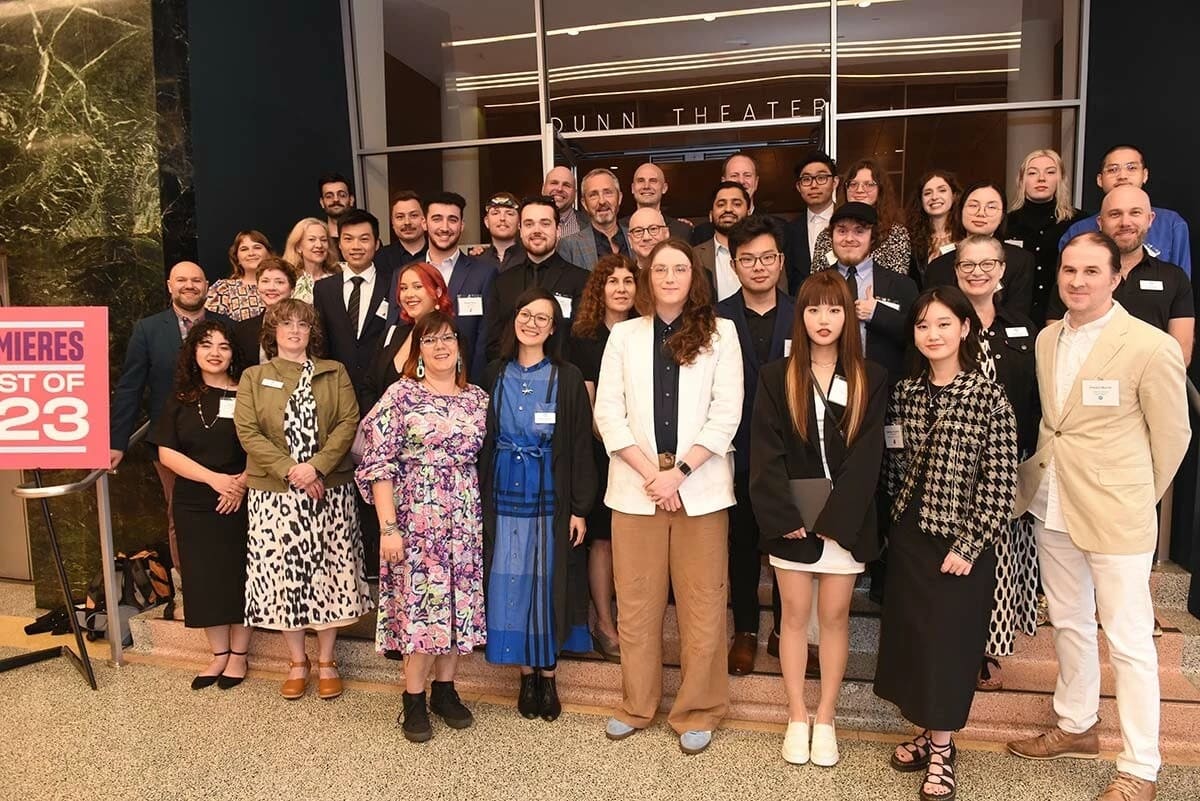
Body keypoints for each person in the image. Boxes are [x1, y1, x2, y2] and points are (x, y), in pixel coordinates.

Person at [1007, 232, 1190, 801]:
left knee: (1130, 641)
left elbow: (1173, 436)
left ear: (1116, 278)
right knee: (1067, 621)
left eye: (1091, 271)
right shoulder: (1045, 339)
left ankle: (1141, 766)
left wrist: (1136, 495)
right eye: (1069, 270)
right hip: (1053, 502)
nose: (1078, 281)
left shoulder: (1150, 345)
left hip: (1118, 514)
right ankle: (1076, 724)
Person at [595, 238, 743, 755]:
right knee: (636, 605)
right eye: (660, 268)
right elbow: (608, 414)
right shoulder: (624, 336)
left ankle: (699, 708)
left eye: (680, 268)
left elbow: (727, 412)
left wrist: (678, 473)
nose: (671, 276)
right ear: (646, 277)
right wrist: (651, 475)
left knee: (702, 605)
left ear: (693, 276)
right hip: (636, 492)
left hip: (698, 490)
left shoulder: (720, 332)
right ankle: (637, 704)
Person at [875, 286, 1018, 801]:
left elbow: (1001, 483)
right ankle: (927, 730)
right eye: (922, 325)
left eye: (942, 324)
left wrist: (970, 543)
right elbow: (893, 465)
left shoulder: (988, 397)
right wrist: (892, 524)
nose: (932, 334)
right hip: (911, 537)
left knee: (949, 646)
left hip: (960, 544)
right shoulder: (906, 392)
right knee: (914, 640)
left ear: (964, 328)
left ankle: (942, 749)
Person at [750, 269, 887, 766]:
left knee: (833, 618)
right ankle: (796, 714)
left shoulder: (871, 376)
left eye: (834, 309)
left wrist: (836, 518)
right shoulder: (775, 376)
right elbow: (765, 454)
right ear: (799, 316)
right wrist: (783, 515)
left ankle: (826, 716)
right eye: (813, 309)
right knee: (791, 618)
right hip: (792, 521)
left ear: (848, 314)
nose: (823, 319)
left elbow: (868, 458)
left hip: (843, 524)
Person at [355, 311, 488, 743]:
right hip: (415, 518)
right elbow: (377, 465)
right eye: (429, 340)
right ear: (418, 350)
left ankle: (445, 692)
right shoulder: (401, 395)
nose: (441, 346)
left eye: (448, 338)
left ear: (460, 347)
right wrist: (388, 527)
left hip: (464, 519)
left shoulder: (478, 399)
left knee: (457, 606)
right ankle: (413, 698)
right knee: (421, 610)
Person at [234, 299, 371, 701]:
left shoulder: (335, 372)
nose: (295, 330)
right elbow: (248, 431)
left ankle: (327, 660)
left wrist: (317, 468)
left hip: (328, 492)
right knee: (282, 577)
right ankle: (297, 661)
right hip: (275, 496)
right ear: (272, 332)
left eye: (302, 324)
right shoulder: (254, 377)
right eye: (286, 324)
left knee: (329, 575)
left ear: (313, 332)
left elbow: (349, 422)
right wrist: (292, 471)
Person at [479, 287, 597, 722]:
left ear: (553, 327)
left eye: (542, 317)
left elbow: (581, 446)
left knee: (548, 581)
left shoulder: (566, 377)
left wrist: (581, 508)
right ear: (514, 319)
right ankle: (525, 675)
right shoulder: (492, 372)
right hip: (502, 493)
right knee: (510, 578)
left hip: (551, 493)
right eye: (525, 314)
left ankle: (548, 676)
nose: (532, 322)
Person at [953, 235, 1041, 692]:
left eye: (988, 263)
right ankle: (959, 645)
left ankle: (990, 647)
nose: (977, 271)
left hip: (1008, 462)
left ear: (1003, 271)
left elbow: (1035, 397)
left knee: (1000, 557)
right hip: (956, 465)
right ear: (956, 270)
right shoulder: (942, 323)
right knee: (960, 558)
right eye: (968, 264)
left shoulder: (1021, 327)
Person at [111, 261, 234, 574]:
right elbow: (130, 388)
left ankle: (233, 584)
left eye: (196, 280)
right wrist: (117, 443)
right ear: (169, 285)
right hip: (172, 442)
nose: (189, 285)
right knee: (179, 516)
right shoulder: (148, 329)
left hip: (226, 438)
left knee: (232, 507)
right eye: (182, 280)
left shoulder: (228, 325)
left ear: (207, 286)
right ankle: (187, 589)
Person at [150, 320, 249, 690]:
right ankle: (218, 654)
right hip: (195, 499)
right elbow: (167, 452)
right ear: (193, 351)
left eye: (224, 347)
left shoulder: (247, 393)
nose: (215, 352)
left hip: (243, 497)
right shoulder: (181, 396)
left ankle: (239, 655)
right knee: (204, 578)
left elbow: (262, 444)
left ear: (233, 354)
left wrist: (238, 484)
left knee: (239, 576)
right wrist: (214, 480)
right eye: (206, 345)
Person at [716, 215, 793, 676]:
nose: (759, 267)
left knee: (788, 545)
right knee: (741, 546)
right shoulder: (716, 317)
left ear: (781, 261)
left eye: (767, 258)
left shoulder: (805, 310)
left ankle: (786, 629)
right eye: (748, 259)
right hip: (736, 452)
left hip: (792, 455)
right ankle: (744, 630)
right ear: (733, 262)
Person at [312, 208, 394, 579]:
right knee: (346, 481)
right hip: (340, 402)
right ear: (338, 244)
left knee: (384, 480)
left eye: (364, 239)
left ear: (377, 243)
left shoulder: (394, 283)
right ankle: (354, 564)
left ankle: (383, 562)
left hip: (384, 399)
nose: (356, 246)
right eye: (348, 239)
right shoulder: (324, 289)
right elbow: (322, 346)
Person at [570, 254, 640, 662]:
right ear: (600, 289)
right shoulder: (584, 336)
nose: (621, 288)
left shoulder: (649, 331)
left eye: (629, 280)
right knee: (604, 539)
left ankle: (634, 621)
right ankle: (605, 623)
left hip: (647, 454)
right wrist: (623, 446)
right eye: (612, 281)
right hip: (603, 452)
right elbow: (591, 405)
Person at [1047, 185, 1194, 364]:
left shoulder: (1174, 278)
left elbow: (1180, 353)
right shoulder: (1074, 279)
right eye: (1115, 214)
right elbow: (1056, 346)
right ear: (1100, 223)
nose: (1125, 222)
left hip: (1151, 384)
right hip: (1086, 383)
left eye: (1135, 213)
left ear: (1150, 219)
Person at [384, 191, 496, 379]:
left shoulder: (483, 274)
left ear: (462, 226)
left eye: (452, 220)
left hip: (463, 384)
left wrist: (472, 389)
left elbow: (483, 342)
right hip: (414, 383)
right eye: (437, 219)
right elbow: (395, 332)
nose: (444, 227)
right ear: (424, 223)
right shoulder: (403, 273)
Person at [481, 196, 590, 363]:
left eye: (545, 224)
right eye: (529, 224)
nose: (536, 230)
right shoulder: (502, 282)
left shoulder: (581, 280)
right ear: (520, 230)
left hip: (562, 379)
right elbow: (493, 341)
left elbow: (582, 342)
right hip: (511, 379)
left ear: (558, 230)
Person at [1059, 144, 1192, 275]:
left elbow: (1181, 283)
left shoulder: (1172, 224)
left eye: (1131, 168)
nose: (1122, 176)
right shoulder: (1078, 231)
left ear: (1145, 175)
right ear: (1100, 180)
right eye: (1112, 170)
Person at [825, 202, 919, 386]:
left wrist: (879, 314)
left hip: (886, 389)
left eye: (859, 231)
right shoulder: (817, 284)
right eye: (842, 231)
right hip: (828, 387)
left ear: (873, 238)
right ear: (832, 236)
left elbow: (917, 335)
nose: (849, 238)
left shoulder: (902, 285)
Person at [923, 181, 1035, 318]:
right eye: (973, 205)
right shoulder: (938, 266)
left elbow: (1018, 313)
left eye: (991, 207)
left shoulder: (1021, 260)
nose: (981, 213)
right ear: (960, 211)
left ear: (1002, 216)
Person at [364, 262, 453, 412]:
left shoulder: (450, 340)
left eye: (417, 286)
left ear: (437, 292)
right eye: (404, 288)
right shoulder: (392, 334)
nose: (409, 294)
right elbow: (369, 386)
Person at [1006, 149, 1081, 324]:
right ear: (1021, 180)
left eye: (1050, 172)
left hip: (1064, 316)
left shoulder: (1078, 223)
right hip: (1016, 317)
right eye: (1032, 173)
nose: (1041, 178)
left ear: (1060, 179)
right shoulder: (1005, 223)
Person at [811, 159, 912, 276]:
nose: (859, 190)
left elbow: (897, 282)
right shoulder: (826, 236)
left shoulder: (896, 234)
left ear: (881, 190)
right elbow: (816, 282)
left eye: (869, 185)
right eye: (853, 184)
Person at [785, 152, 840, 293]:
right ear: (799, 187)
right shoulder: (789, 230)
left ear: (835, 182)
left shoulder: (850, 223)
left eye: (821, 178)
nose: (814, 185)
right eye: (806, 179)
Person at [558, 169, 632, 269]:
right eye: (593, 195)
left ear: (620, 198)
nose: (602, 201)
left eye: (608, 192)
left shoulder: (636, 238)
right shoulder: (569, 246)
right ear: (584, 203)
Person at [693, 181, 751, 302]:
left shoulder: (767, 254)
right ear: (710, 215)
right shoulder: (694, 256)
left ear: (749, 212)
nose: (728, 209)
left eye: (736, 204)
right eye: (721, 204)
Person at [232, 257, 296, 367]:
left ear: (292, 289)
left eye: (279, 282)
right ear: (257, 287)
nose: (271, 288)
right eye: (265, 281)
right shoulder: (242, 329)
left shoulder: (304, 326)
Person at [691, 152, 764, 244]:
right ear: (723, 181)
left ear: (756, 182)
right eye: (734, 175)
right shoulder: (701, 234)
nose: (741, 181)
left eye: (747, 175)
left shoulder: (778, 228)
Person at [907, 170, 962, 286]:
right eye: (927, 193)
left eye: (942, 190)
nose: (934, 197)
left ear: (954, 195)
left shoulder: (966, 235)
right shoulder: (910, 239)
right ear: (921, 201)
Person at [206, 230, 272, 322]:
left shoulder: (283, 286)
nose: (251, 253)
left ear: (269, 254)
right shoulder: (224, 289)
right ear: (237, 258)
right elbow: (210, 326)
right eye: (244, 249)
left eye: (257, 247)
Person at [620, 162, 692, 241]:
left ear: (664, 188)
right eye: (641, 181)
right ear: (633, 188)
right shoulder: (619, 228)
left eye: (653, 181)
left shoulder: (682, 230)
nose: (646, 186)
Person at [281, 217, 339, 304]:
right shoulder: (288, 279)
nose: (319, 245)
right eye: (312, 239)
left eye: (323, 240)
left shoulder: (340, 274)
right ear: (298, 247)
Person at [375, 190, 427, 273]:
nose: (407, 222)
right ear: (392, 222)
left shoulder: (438, 253)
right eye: (400, 217)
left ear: (425, 219)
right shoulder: (380, 258)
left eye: (414, 215)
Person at [475, 192, 526, 272]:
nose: (502, 218)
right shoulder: (476, 261)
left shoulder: (530, 258)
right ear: (486, 222)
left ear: (519, 223)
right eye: (495, 213)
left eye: (509, 213)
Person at [543, 166, 588, 238]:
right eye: (554, 183)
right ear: (543, 188)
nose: (559, 189)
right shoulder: (522, 221)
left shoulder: (590, 226)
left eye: (566, 185)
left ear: (575, 193)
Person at [627, 207, 671, 272]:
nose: (646, 237)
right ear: (630, 240)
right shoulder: (627, 278)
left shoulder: (682, 274)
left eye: (653, 229)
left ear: (666, 234)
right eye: (638, 231)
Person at [318, 172, 355, 240]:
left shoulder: (364, 237)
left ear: (351, 200)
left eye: (342, 195)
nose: (336, 200)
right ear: (322, 202)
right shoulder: (317, 240)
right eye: (329, 196)